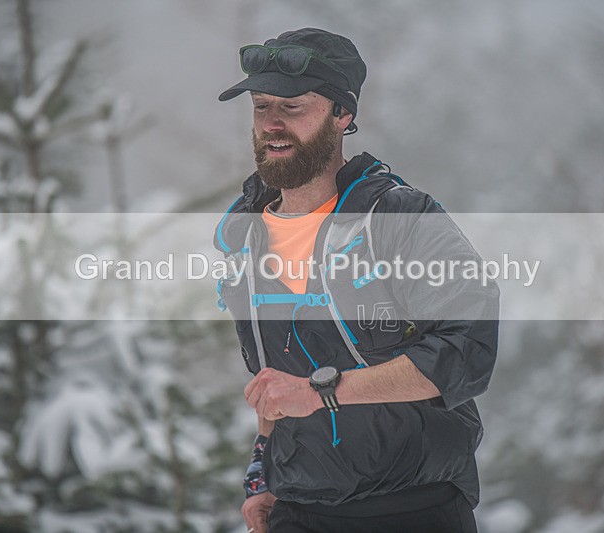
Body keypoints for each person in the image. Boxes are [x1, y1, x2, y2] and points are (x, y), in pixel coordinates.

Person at [214, 28, 499, 533]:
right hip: (298, 511)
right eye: (261, 107)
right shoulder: (245, 232)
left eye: (293, 107)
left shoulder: (401, 219)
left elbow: (467, 352)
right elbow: (274, 381)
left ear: (342, 115)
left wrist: (324, 392)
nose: (272, 124)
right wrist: (265, 475)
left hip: (415, 509)